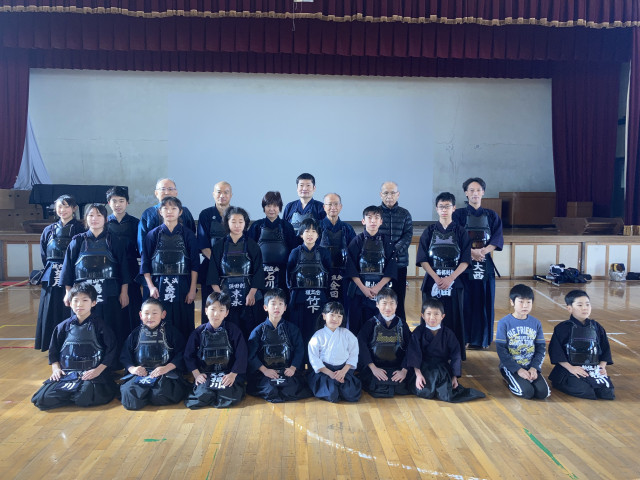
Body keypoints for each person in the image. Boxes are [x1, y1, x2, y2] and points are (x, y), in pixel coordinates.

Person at [32, 283, 118, 410]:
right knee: (41, 399)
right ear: (70, 303)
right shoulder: (62, 327)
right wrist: (56, 369)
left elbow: (111, 351)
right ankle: (72, 393)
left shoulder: (101, 326)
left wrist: (98, 370)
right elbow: (54, 351)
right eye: (75, 300)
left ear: (93, 303)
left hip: (92, 373)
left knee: (84, 397)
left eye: (85, 300)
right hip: (68, 373)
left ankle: (72, 395)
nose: (79, 304)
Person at [61, 203, 130, 347]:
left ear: (105, 219)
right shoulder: (77, 241)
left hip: (110, 291)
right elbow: (68, 269)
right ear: (85, 218)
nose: (94, 218)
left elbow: (124, 268)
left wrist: (124, 292)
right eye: (91, 215)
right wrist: (68, 293)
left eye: (99, 215)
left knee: (111, 325)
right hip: (83, 292)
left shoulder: (114, 241)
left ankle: (112, 357)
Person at [416, 192, 470, 360]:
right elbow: (422, 259)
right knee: (430, 316)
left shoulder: (461, 232)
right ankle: (427, 352)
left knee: (454, 318)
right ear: (436, 209)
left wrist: (450, 278)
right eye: (441, 207)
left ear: (454, 208)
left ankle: (454, 355)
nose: (444, 210)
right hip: (432, 282)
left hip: (454, 282)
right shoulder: (429, 231)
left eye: (447, 206)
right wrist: (436, 278)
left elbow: (465, 260)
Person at [452, 177, 504, 349]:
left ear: (483, 192)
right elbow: (455, 237)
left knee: (484, 301)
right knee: (465, 301)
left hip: (484, 263)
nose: (475, 193)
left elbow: (497, 238)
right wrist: (471, 252)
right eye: (471, 190)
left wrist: (482, 251)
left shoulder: (491, 215)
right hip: (464, 265)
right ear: (466, 193)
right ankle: (465, 338)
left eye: (478, 190)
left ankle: (483, 339)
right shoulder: (458, 215)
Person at [140, 196, 199, 342]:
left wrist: (192, 289)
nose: (169, 211)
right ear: (160, 211)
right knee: (160, 320)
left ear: (180, 212)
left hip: (183, 284)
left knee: (183, 321)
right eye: (165, 208)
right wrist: (151, 287)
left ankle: (184, 353)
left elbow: (194, 264)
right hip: (158, 284)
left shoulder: (188, 235)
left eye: (173, 208)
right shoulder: (152, 235)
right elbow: (145, 264)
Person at [407, 298, 485, 403]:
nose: (432, 317)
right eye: (428, 314)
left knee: (447, 396)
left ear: (442, 316)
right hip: (424, 368)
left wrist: (454, 376)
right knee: (424, 392)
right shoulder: (418, 332)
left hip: (442, 369)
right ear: (423, 316)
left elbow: (456, 355)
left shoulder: (448, 334)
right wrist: (418, 375)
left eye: (436, 314)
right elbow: (414, 353)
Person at [35, 194, 86, 352]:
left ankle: (71, 343)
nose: (62, 210)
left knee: (69, 308)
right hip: (52, 274)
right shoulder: (48, 230)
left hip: (73, 274)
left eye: (66, 206)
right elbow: (44, 255)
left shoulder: (80, 229)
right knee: (50, 309)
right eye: (59, 207)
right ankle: (51, 345)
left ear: (74, 208)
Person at [119, 298, 189, 410]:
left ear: (163, 314)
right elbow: (125, 356)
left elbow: (182, 353)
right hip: (141, 373)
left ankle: (147, 395)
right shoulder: (135, 334)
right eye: (146, 313)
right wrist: (133, 369)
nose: (150, 317)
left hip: (165, 373)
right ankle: (145, 394)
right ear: (140, 315)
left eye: (154, 313)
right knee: (129, 395)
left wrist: (166, 368)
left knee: (161, 394)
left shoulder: (171, 332)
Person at [207, 206, 265, 340]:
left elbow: (258, 271)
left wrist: (252, 293)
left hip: (248, 296)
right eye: (233, 221)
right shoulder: (219, 246)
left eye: (240, 221)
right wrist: (221, 297)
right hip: (226, 295)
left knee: (250, 329)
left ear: (245, 223)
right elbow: (213, 274)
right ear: (227, 223)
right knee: (229, 330)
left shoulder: (252, 245)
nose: (237, 225)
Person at [246, 288, 312, 403]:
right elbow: (251, 355)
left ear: (285, 307)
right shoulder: (258, 331)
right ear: (265, 307)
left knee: (290, 389)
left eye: (280, 304)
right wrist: (264, 370)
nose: (277, 307)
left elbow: (299, 350)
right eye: (273, 304)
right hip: (266, 372)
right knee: (271, 390)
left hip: (287, 370)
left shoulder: (292, 329)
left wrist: (293, 368)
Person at [184, 292, 247, 408]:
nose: (216, 314)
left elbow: (242, 354)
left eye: (221, 310)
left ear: (226, 313)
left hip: (227, 373)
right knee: (202, 396)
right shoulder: (198, 332)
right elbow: (188, 355)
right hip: (206, 373)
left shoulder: (233, 330)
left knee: (228, 396)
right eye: (213, 309)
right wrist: (197, 374)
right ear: (206, 310)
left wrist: (233, 374)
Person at [548, 290, 615, 400]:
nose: (585, 308)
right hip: (570, 369)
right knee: (586, 391)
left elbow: (605, 349)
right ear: (569, 308)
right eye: (580, 305)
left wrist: (601, 367)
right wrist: (571, 368)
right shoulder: (562, 328)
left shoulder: (596, 327)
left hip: (592, 368)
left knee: (607, 393)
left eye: (587, 304)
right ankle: (560, 382)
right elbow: (556, 352)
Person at [345, 205, 397, 336]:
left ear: (381, 221)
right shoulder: (356, 241)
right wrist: (363, 288)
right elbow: (351, 268)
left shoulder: (387, 242)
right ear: (363, 221)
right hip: (359, 291)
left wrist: (378, 288)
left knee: (378, 327)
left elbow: (391, 268)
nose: (373, 221)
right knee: (356, 325)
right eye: (369, 218)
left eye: (376, 218)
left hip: (380, 291)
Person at [495, 284, 550, 400]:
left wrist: (534, 368)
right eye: (521, 302)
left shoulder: (536, 323)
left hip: (530, 366)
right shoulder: (504, 323)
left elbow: (541, 349)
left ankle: (524, 378)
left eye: (528, 302)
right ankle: (508, 379)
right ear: (512, 302)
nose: (525, 306)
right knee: (527, 392)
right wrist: (518, 370)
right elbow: (501, 350)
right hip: (511, 367)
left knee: (543, 393)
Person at [357, 287, 412, 398]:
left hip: (397, 368)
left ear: (397, 305)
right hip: (375, 368)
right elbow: (361, 345)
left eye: (392, 303)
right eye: (384, 303)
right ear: (377, 304)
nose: (388, 307)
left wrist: (404, 370)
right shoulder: (370, 323)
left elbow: (411, 348)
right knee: (375, 385)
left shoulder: (402, 324)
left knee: (402, 386)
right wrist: (373, 368)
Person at [286, 217, 332, 346]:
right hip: (299, 298)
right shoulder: (295, 252)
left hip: (319, 297)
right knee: (299, 331)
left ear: (318, 235)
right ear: (301, 234)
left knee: (318, 329)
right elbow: (288, 276)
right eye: (307, 231)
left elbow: (330, 274)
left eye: (313, 231)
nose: (310, 234)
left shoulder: (324, 252)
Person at [307, 302, 361, 403]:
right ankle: (334, 386)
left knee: (351, 395)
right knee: (332, 395)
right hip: (325, 371)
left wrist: (343, 371)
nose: (335, 319)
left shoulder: (347, 334)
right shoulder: (318, 336)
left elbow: (353, 354)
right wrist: (330, 374)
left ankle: (340, 385)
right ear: (324, 316)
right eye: (332, 315)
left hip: (343, 370)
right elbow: (314, 358)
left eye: (339, 316)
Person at [106, 186, 143, 336]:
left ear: (127, 202)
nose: (118, 204)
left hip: (131, 267)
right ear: (109, 203)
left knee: (132, 302)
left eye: (121, 201)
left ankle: (132, 338)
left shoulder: (136, 223)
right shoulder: (104, 223)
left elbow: (140, 247)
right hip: (110, 268)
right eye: (114, 201)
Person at [197, 181, 233, 324]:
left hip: (233, 269)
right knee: (210, 304)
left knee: (231, 305)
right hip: (210, 267)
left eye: (226, 192)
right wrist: (218, 263)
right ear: (213, 194)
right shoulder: (205, 214)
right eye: (219, 192)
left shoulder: (236, 214)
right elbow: (203, 245)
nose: (222, 195)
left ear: (231, 195)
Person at [247, 191, 297, 292]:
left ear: (280, 207)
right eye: (268, 206)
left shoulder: (287, 226)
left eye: (275, 206)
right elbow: (249, 251)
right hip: (260, 271)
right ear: (264, 207)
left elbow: (293, 251)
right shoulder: (256, 226)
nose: (271, 209)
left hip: (282, 272)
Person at [378, 181, 413, 320]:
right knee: (380, 298)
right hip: (380, 265)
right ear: (381, 195)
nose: (389, 196)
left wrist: (393, 253)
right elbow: (373, 235)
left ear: (398, 194)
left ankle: (400, 327)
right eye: (386, 193)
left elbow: (408, 236)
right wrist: (384, 254)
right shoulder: (376, 213)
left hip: (400, 264)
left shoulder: (405, 214)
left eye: (392, 193)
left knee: (398, 297)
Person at [137, 178, 196, 256]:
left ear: (176, 192)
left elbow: (191, 233)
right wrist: (146, 258)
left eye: (170, 189)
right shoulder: (148, 213)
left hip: (182, 259)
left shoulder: (184, 211)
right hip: (154, 260)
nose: (167, 192)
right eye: (163, 189)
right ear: (156, 193)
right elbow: (142, 239)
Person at [319, 193, 356, 305]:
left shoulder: (347, 228)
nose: (333, 207)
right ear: (324, 207)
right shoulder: (317, 227)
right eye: (329, 204)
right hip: (322, 273)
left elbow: (354, 252)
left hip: (343, 274)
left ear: (341, 206)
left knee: (342, 304)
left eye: (336, 204)